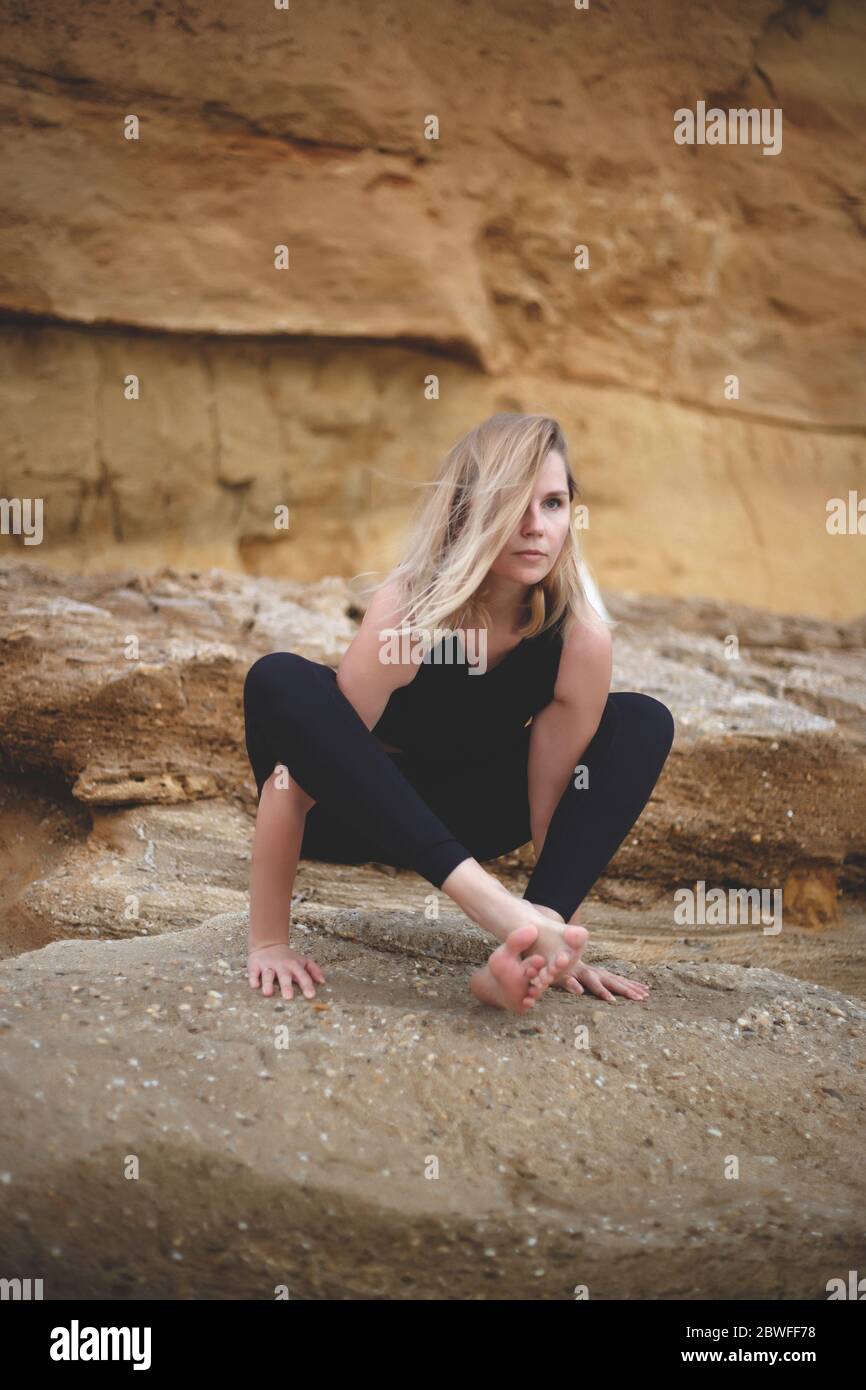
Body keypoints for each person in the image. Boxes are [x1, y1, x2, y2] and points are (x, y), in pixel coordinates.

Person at [242, 413, 674, 1014]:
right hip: (353, 814)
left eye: (552, 504)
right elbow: (294, 782)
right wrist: (268, 942)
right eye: (512, 505)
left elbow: (556, 804)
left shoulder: (578, 639)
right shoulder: (410, 609)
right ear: (466, 512)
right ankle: (496, 910)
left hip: (469, 821)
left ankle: (526, 951)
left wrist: (559, 940)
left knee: (641, 721)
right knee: (281, 678)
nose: (534, 528)